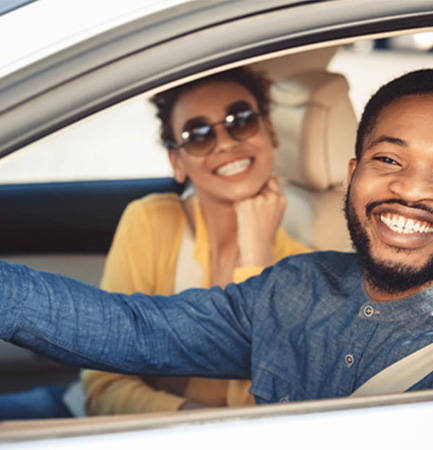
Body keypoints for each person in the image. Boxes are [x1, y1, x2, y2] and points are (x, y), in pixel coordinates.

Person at [0, 69, 433, 404]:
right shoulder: (293, 286)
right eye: (387, 159)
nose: (413, 190)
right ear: (354, 177)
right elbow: (131, 329)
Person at [81, 68, 310, 415]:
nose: (226, 143)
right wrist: (191, 420)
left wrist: (257, 260)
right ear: (177, 161)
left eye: (242, 120)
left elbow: (265, 416)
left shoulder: (304, 270)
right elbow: (102, 387)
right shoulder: (150, 222)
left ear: (270, 132)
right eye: (199, 134)